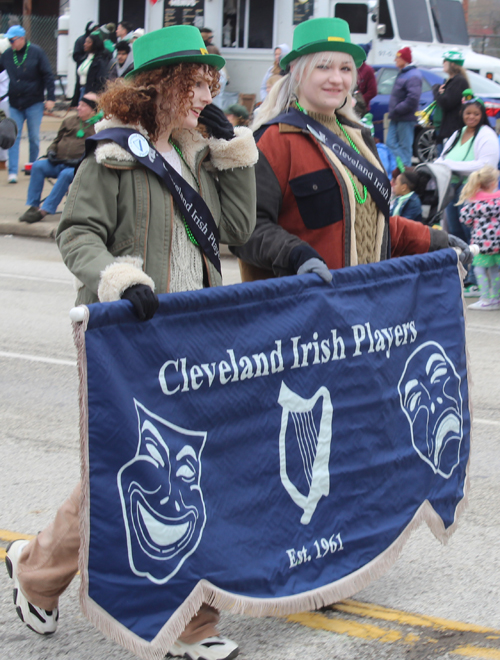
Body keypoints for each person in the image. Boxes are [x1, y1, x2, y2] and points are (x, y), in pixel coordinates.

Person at [5, 24, 257, 660]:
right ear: (157, 86)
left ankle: (43, 572)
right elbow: (77, 235)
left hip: (193, 335)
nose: (205, 96)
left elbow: (236, 228)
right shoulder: (112, 155)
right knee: (132, 474)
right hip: (129, 337)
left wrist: (233, 158)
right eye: (193, 84)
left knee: (188, 471)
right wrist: (117, 277)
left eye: (209, 84)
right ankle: (48, 575)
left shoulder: (199, 153)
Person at [231, 17, 467, 288]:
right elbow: (246, 231)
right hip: (308, 309)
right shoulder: (274, 140)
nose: (336, 78)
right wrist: (296, 255)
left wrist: (435, 239)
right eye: (323, 67)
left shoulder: (359, 138)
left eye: (345, 68)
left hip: (368, 307)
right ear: (296, 71)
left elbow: (371, 223)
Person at [434, 89, 499, 295]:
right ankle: (465, 277)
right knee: (456, 233)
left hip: (473, 191)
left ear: (482, 116)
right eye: (467, 113)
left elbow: (486, 165)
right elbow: (439, 159)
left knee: (474, 235)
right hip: (453, 189)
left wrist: (451, 164)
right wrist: (450, 164)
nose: (471, 117)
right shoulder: (457, 134)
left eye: (476, 114)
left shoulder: (487, 135)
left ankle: (478, 281)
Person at [19, 93, 100, 224]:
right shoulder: (69, 121)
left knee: (65, 175)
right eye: (79, 104)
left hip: (80, 167)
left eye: (83, 106)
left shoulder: (100, 126)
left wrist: (81, 161)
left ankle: (44, 211)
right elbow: (56, 140)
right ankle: (33, 206)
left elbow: (99, 150)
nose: (78, 107)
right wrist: (51, 151)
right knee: (38, 166)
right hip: (59, 161)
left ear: (93, 109)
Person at [0, 25, 55, 183]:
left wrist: (50, 98)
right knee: (12, 136)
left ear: (22, 38)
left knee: (34, 137)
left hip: (34, 102)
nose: (10, 43)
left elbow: (48, 75)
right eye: (8, 41)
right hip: (15, 102)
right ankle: (12, 172)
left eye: (13, 40)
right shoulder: (7, 55)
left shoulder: (37, 52)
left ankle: (32, 166)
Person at [458, 165, 500, 310]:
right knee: (495, 269)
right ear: (494, 183)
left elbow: (465, 220)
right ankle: (496, 297)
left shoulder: (473, 202)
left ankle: (485, 299)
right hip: (498, 243)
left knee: (479, 269)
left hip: (482, 243)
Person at [386, 47, 422, 167]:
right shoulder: (404, 73)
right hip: (397, 116)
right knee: (390, 142)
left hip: (405, 117)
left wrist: (398, 109)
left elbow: (413, 98)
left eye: (398, 57)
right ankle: (399, 167)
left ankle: (405, 170)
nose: (395, 60)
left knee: (405, 146)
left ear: (404, 59)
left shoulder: (413, 75)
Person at [433, 50, 469, 151]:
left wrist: (436, 91)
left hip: (450, 130)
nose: (443, 63)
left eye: (445, 60)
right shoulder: (451, 81)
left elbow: (446, 103)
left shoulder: (459, 81)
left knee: (445, 163)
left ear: (452, 64)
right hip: (443, 129)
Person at [75, 33, 111, 98]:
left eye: (88, 42)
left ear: (95, 44)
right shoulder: (84, 59)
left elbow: (100, 80)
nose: (85, 44)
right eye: (85, 42)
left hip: (90, 93)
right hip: (81, 90)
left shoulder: (99, 61)